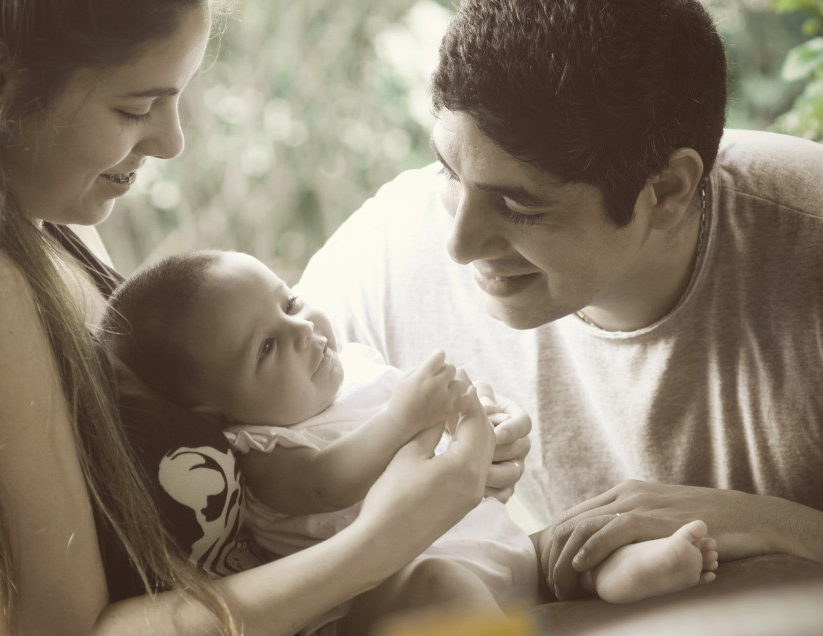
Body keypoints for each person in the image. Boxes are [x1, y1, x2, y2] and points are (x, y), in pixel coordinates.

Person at [0, 1, 505, 635]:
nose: (172, 142)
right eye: (135, 108)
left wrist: (439, 462)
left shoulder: (52, 226)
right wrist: (383, 539)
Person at [295, 0, 823, 607]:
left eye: (520, 207)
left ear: (666, 190)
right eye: (447, 171)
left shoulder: (807, 250)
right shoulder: (389, 255)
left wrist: (773, 525)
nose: (459, 245)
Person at [102, 248, 720, 634]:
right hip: (395, 591)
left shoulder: (356, 368)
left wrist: (484, 421)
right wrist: (402, 419)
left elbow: (444, 429)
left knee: (575, 544)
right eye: (267, 347)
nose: (303, 330)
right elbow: (327, 482)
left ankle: (622, 574)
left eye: (290, 301)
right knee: (439, 586)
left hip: (502, 553)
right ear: (214, 411)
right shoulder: (262, 449)